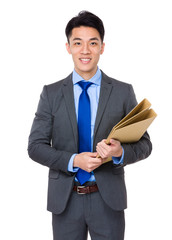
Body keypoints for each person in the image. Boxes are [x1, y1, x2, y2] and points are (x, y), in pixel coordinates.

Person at [28, 11, 152, 240]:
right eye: (78, 43)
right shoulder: (51, 93)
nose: (85, 50)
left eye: (92, 43)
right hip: (65, 201)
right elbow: (35, 147)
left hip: (108, 201)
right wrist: (74, 160)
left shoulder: (123, 92)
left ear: (102, 47)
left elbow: (145, 145)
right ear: (68, 47)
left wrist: (119, 152)